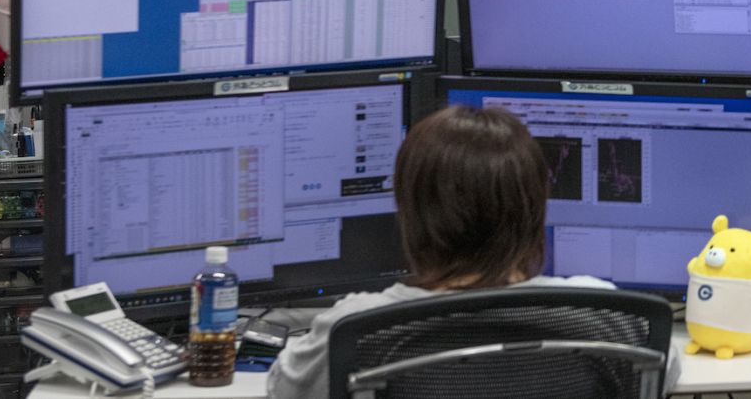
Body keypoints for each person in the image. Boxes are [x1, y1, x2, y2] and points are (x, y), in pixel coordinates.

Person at [267, 106, 672, 399]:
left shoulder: (356, 329)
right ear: (533, 209)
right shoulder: (610, 315)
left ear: (411, 212)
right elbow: (663, 376)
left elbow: (284, 389)